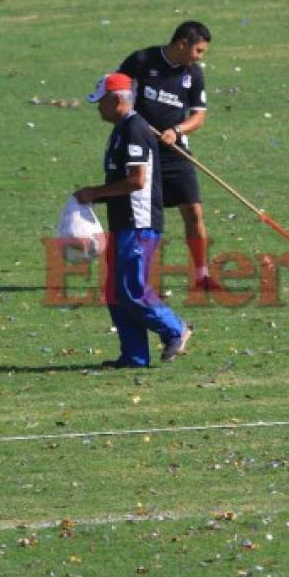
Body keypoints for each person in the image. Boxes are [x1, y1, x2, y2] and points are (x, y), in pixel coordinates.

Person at [74, 72, 192, 368]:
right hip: (122, 221)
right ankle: (134, 356)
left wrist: (95, 192)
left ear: (116, 100)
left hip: (138, 223)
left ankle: (175, 329)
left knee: (131, 289)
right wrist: (95, 196)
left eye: (100, 102)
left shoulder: (134, 130)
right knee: (115, 291)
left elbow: (137, 181)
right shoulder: (121, 129)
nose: (97, 107)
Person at [117, 20, 220, 292]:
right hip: (143, 151)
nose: (199, 58)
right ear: (182, 44)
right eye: (198, 51)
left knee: (194, 211)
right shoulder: (141, 61)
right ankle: (142, 279)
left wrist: (176, 130)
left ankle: (202, 276)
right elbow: (116, 94)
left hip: (175, 149)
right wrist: (133, 124)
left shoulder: (193, 74)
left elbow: (198, 117)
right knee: (148, 218)